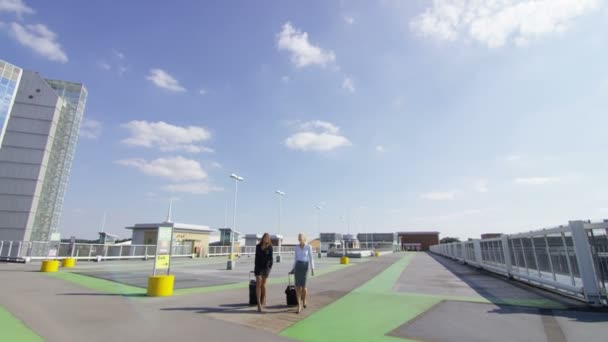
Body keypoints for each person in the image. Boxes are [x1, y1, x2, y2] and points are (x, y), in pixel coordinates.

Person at [289, 233, 315, 314]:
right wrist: (293, 269)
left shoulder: (308, 247)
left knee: (304, 287)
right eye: (299, 238)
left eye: (301, 238)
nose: (299, 239)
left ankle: (304, 300)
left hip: (305, 267)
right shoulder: (296, 247)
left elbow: (311, 257)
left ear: (304, 238)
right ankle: (299, 305)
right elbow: (295, 259)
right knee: (297, 287)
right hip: (298, 267)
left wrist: (312, 268)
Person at [254, 233, 273, 313]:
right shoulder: (258, 247)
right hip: (258, 267)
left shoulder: (270, 247)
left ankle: (264, 297)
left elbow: (271, 259)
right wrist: (255, 269)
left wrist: (269, 268)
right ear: (263, 238)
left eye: (267, 238)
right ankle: (258, 303)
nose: (266, 239)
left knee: (263, 285)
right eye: (265, 237)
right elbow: (256, 258)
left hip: (266, 268)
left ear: (268, 239)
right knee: (258, 282)